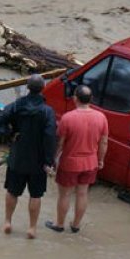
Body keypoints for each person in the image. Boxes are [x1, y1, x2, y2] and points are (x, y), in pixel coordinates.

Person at [0, 74, 57, 239]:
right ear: (43, 89)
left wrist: (9, 133)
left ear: (27, 87)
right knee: (36, 195)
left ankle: (7, 222)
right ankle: (32, 228)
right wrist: (49, 160)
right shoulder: (47, 111)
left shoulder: (17, 105)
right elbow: (50, 136)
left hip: (17, 156)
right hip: (38, 159)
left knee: (12, 191)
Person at [46, 84, 108, 234]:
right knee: (82, 193)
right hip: (90, 162)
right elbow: (104, 142)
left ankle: (59, 224)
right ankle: (76, 225)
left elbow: (60, 143)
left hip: (70, 163)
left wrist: (52, 160)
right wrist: (100, 160)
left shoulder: (67, 118)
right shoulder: (101, 117)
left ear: (75, 98)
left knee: (65, 194)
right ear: (91, 99)